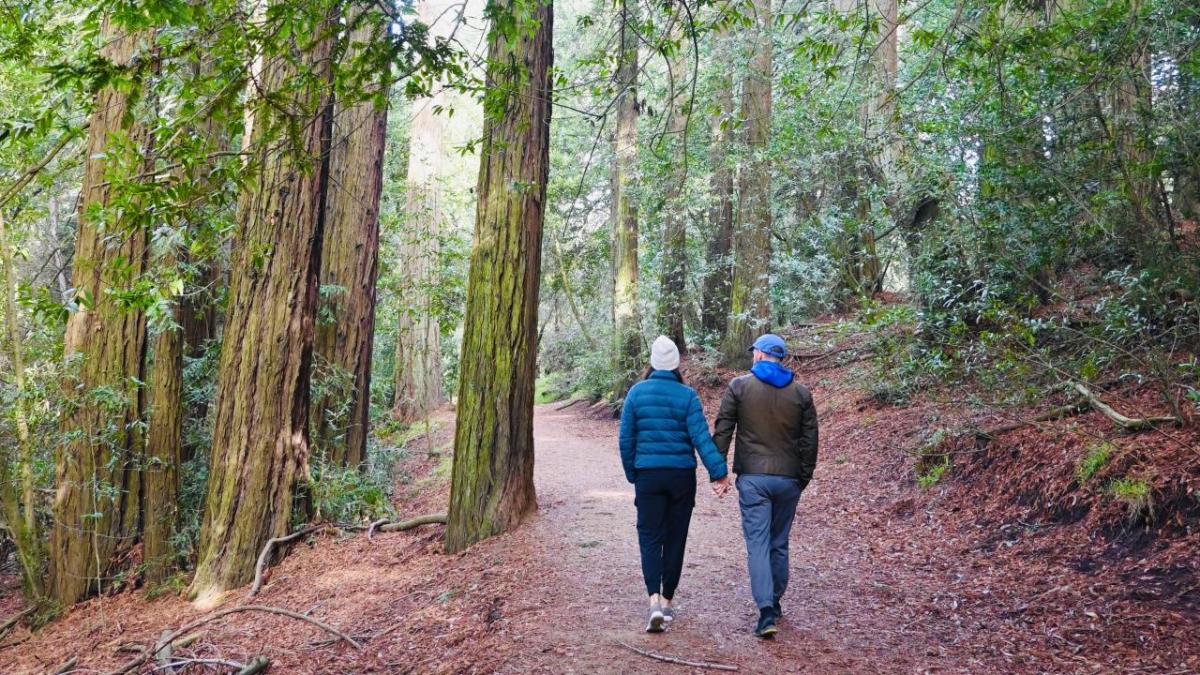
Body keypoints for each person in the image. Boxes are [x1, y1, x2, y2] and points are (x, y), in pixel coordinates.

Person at [620, 335, 732, 633]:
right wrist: (719, 473)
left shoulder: (636, 394)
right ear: (676, 365)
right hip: (681, 477)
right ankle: (668, 604)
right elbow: (701, 439)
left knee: (649, 538)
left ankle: (653, 600)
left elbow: (626, 440)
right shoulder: (688, 396)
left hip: (649, 476)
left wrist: (634, 474)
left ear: (652, 363)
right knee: (675, 538)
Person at [713, 333, 819, 639]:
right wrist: (803, 477)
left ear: (759, 355)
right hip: (788, 480)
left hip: (754, 480)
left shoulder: (740, 387)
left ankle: (765, 612)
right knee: (779, 542)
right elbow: (810, 442)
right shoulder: (801, 394)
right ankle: (774, 601)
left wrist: (718, 473)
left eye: (753, 352)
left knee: (758, 544)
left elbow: (723, 431)